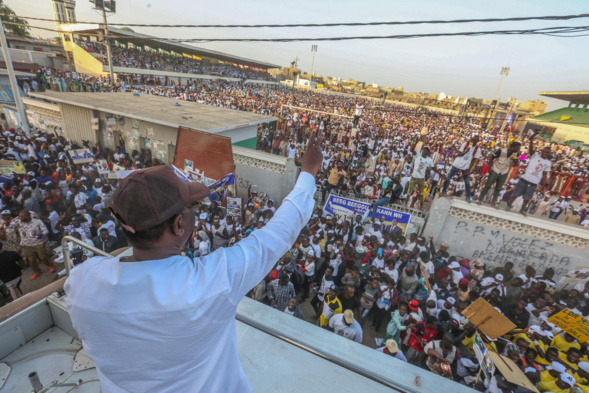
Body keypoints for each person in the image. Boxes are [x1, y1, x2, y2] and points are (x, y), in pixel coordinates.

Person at [64, 131, 323, 392]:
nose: (195, 215)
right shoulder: (213, 281)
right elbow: (277, 233)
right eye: (191, 208)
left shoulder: (82, 282)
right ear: (179, 225)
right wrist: (308, 172)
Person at [506, 131, 551, 216]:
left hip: (534, 182)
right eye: (544, 152)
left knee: (527, 197)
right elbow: (531, 147)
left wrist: (543, 183)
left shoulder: (548, 163)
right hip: (525, 179)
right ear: (541, 151)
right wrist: (533, 137)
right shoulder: (534, 155)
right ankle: (509, 205)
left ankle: (522, 210)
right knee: (515, 194)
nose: (545, 154)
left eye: (547, 153)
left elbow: (544, 174)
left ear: (549, 154)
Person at [12, 210, 54, 280]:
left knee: (43, 257)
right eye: (19, 216)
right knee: (31, 260)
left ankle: (50, 265)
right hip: (27, 245)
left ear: (28, 216)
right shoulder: (18, 222)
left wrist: (41, 234)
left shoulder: (37, 221)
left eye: (21, 217)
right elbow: (12, 225)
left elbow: (46, 231)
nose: (19, 218)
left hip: (38, 243)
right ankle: (36, 271)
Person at [477, 141, 521, 207]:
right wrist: (489, 168)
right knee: (488, 185)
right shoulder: (501, 151)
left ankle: (494, 202)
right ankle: (480, 199)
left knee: (498, 188)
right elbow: (491, 158)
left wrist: (516, 162)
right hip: (495, 169)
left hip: (504, 172)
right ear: (512, 147)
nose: (518, 150)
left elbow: (516, 164)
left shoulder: (516, 154)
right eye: (517, 148)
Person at [441, 135, 482, 202]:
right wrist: (466, 151)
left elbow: (474, 160)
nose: (473, 141)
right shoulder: (465, 144)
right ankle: (444, 191)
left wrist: (468, 170)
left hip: (466, 166)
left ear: (477, 141)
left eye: (475, 140)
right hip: (457, 164)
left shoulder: (477, 149)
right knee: (448, 178)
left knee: (467, 182)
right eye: (473, 139)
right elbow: (459, 154)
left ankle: (468, 197)